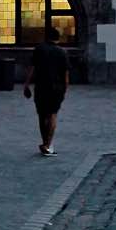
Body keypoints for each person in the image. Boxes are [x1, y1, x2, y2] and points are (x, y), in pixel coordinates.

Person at [23, 26, 69, 156]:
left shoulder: (39, 49)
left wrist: (26, 85)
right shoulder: (62, 52)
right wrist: (65, 90)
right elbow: (65, 75)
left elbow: (32, 68)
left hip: (41, 86)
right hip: (56, 87)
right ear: (58, 38)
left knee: (42, 115)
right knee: (52, 114)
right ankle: (48, 144)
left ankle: (44, 141)